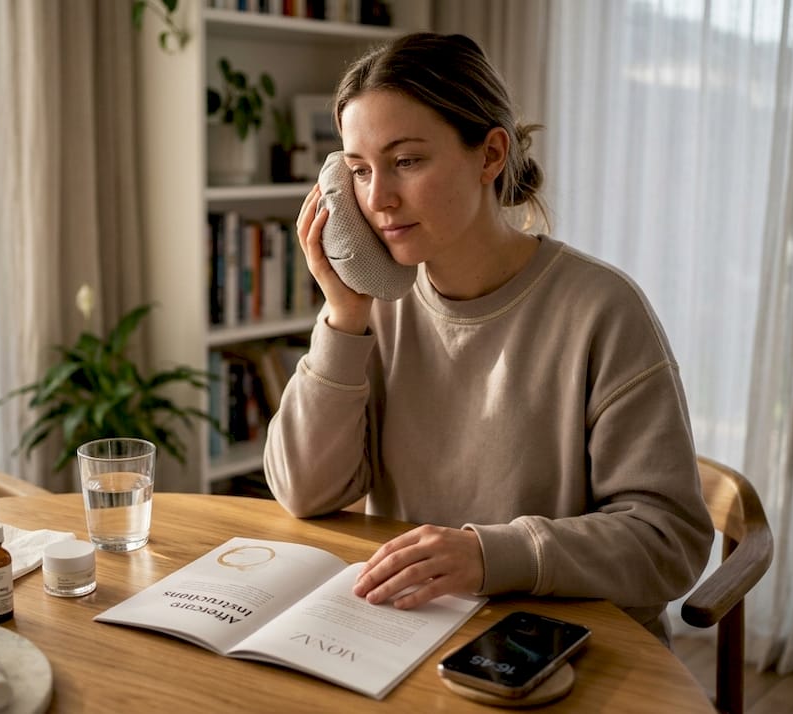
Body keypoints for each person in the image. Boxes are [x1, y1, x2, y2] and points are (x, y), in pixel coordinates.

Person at [263, 32, 714, 643]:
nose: (378, 199)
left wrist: (489, 555)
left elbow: (669, 542)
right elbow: (304, 492)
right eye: (360, 171)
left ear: (490, 155)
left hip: (568, 647)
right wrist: (341, 318)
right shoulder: (374, 312)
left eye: (406, 161)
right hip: (407, 630)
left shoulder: (602, 310)